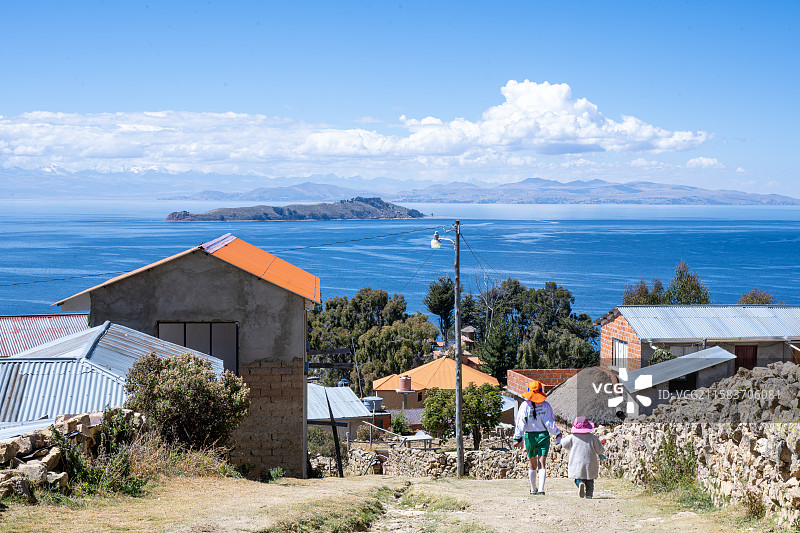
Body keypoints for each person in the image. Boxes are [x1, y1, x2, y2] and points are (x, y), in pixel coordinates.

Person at [513, 380, 563, 495]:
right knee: (542, 463)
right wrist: (557, 433)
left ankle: (532, 489)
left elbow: (521, 423)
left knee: (532, 463)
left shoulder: (525, 405)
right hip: (543, 436)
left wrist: (517, 438)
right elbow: (549, 424)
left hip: (529, 436)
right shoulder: (546, 405)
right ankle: (541, 489)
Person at [560, 416, 605, 499]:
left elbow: (564, 444)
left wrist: (559, 438)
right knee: (590, 480)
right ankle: (589, 495)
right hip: (590, 462)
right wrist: (602, 451)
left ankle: (580, 483)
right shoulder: (593, 437)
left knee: (578, 478)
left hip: (576, 462)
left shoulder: (572, 437)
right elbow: (600, 450)